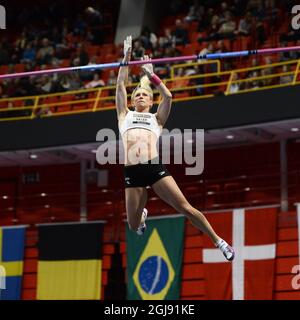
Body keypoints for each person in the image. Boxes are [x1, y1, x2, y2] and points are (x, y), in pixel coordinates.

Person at [116, 36, 235, 261]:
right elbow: (120, 85)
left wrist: (151, 77)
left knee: (185, 207)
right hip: (132, 172)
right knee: (133, 226)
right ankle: (141, 216)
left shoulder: (156, 119)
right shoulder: (124, 115)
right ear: (132, 102)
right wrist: (126, 58)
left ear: (151, 102)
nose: (140, 96)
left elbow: (168, 96)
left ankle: (219, 241)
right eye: (138, 95)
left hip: (154, 168)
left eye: (144, 94)